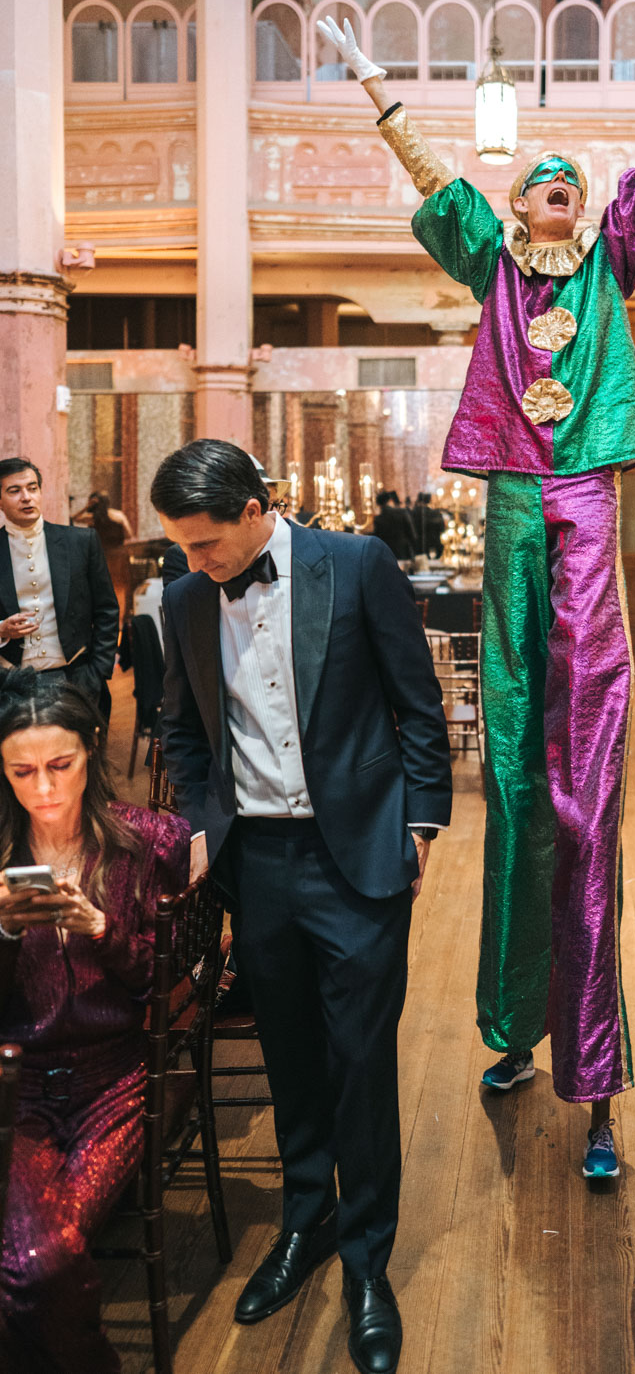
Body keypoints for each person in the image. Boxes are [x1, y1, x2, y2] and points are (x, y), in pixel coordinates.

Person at [318, 0, 635, 1179]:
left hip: (580, 502)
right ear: (516, 204)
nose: (561, 186)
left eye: (573, 180)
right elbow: (425, 171)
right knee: (513, 785)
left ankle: (598, 1074)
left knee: (584, 795)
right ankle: (514, 1029)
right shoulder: (492, 264)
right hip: (515, 498)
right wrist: (373, 77)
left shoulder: (612, 260)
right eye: (544, 179)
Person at [153, 440, 452, 1374]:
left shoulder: (355, 564)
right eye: (181, 548)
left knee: (360, 1061)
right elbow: (180, 727)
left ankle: (368, 1262)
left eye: (205, 544)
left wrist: (422, 823)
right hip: (259, 863)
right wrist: (207, 828)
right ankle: (304, 1219)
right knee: (286, 1049)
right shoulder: (185, 597)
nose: (194, 564)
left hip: (357, 851)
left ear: (254, 510)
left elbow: (417, 704)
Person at [0, 673, 189, 1373]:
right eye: (22, 771)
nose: (43, 787)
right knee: (29, 1262)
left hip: (114, 1080)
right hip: (16, 1088)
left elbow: (167, 987)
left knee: (41, 1264)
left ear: (90, 755)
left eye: (61, 765)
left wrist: (103, 928)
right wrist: (4, 932)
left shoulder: (145, 843)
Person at [0, 458, 119, 723]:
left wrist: (97, 671)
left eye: (32, 488)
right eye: (14, 491)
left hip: (75, 677)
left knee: (79, 759)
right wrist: (1, 630)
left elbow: (107, 609)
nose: (26, 497)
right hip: (10, 682)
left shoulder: (80, 541)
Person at [72, 492, 133, 619]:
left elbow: (74, 518)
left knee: (102, 589)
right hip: (118, 555)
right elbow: (129, 534)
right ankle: (120, 619)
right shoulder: (118, 515)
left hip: (102, 556)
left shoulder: (93, 517)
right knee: (120, 589)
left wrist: (86, 506)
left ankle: (107, 618)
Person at [373, 491, 417, 565]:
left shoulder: (378, 519)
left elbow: (378, 540)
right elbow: (412, 534)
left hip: (387, 555)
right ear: (389, 501)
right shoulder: (402, 512)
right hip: (404, 553)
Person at [412, 492, 445, 561]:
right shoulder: (436, 513)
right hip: (433, 546)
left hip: (417, 546)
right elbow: (442, 528)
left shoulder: (413, 513)